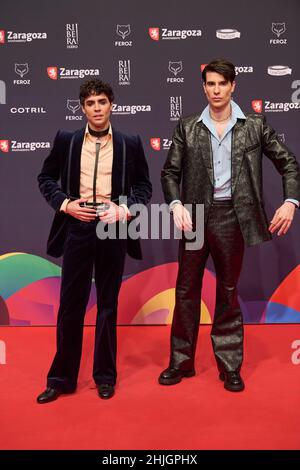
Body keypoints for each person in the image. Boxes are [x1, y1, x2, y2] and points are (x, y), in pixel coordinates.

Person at [159, 58, 300, 392]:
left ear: (233, 85)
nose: (216, 89)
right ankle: (181, 362)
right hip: (194, 218)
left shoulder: (254, 125)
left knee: (227, 291)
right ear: (204, 87)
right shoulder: (188, 126)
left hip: (232, 218)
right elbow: (169, 172)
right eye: (210, 83)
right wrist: (176, 204)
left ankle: (229, 365)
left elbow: (289, 164)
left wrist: (291, 201)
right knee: (186, 291)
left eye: (222, 83)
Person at [37, 79, 152, 402]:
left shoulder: (130, 142)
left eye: (102, 102)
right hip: (77, 226)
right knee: (70, 305)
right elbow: (45, 177)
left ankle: (105, 376)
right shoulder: (67, 140)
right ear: (82, 107)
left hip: (112, 228)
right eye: (90, 103)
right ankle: (60, 378)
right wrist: (66, 203)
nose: (97, 108)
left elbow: (144, 186)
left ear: (111, 104)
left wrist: (125, 209)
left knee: (107, 305)